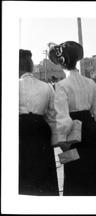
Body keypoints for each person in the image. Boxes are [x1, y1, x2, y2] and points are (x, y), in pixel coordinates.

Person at [48, 41, 96, 196]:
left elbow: (63, 119)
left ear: (61, 63)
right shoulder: (91, 83)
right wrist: (95, 131)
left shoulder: (61, 86)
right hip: (92, 132)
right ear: (76, 61)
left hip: (74, 135)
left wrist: (63, 143)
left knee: (75, 177)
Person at [19, 49, 59, 196]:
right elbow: (53, 114)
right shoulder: (47, 86)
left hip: (20, 128)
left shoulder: (13, 85)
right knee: (43, 168)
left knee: (22, 168)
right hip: (40, 128)